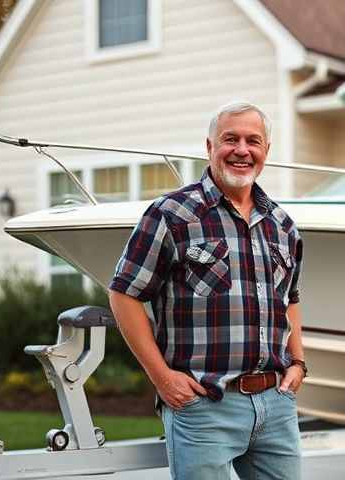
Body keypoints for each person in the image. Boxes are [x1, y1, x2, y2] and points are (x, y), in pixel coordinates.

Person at [108, 101, 306, 480]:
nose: (242, 150)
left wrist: (298, 363)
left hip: (276, 405)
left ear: (266, 151)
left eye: (254, 141)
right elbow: (124, 293)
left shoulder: (283, 225)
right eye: (230, 139)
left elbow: (290, 300)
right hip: (204, 406)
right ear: (210, 147)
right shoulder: (171, 214)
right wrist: (162, 377)